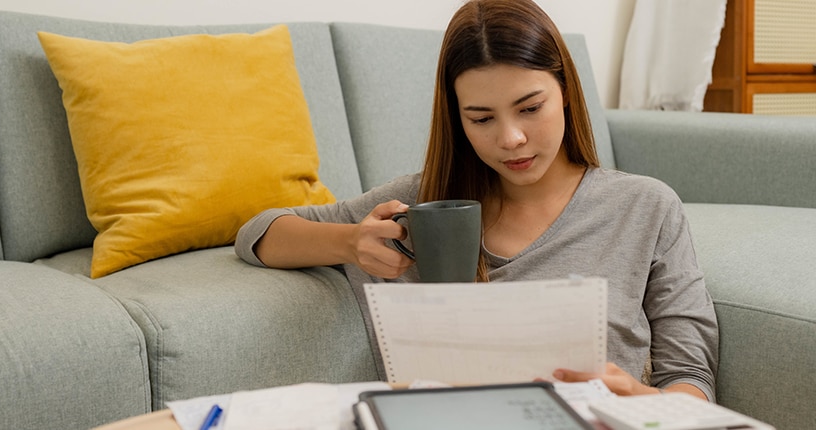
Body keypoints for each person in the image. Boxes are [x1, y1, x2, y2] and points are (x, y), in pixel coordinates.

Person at [236, 0, 718, 402]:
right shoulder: (423, 205)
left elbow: (691, 378)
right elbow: (258, 234)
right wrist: (351, 243)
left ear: (567, 92)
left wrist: (643, 402)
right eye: (481, 118)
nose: (511, 138)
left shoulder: (645, 207)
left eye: (530, 108)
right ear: (458, 120)